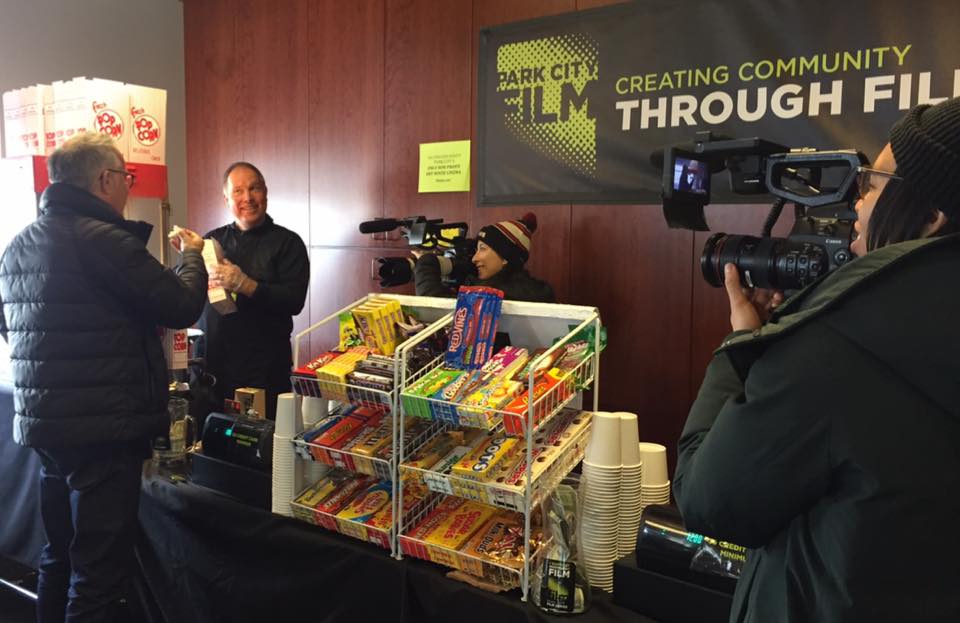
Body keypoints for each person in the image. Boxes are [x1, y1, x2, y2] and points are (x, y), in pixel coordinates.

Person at [673, 96, 960, 622]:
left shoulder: (838, 347)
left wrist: (741, 345)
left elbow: (711, 498)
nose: (858, 205)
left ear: (932, 213)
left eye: (873, 185)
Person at [0, 133, 208, 622]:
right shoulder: (105, 240)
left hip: (45, 427)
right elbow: (180, 304)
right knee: (98, 575)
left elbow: (11, 327)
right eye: (126, 178)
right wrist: (192, 257)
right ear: (104, 179)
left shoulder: (18, 245)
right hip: (104, 430)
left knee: (59, 555)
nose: (129, 188)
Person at [196, 162, 309, 420]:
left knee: (259, 449)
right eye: (238, 191)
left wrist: (245, 284)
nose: (247, 198)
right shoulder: (211, 240)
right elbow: (193, 294)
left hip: (264, 369)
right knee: (211, 447)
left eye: (254, 188)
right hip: (214, 366)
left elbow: (294, 301)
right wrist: (187, 259)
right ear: (226, 199)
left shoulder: (288, 243)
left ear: (266, 192)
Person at [413, 212, 555, 303]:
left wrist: (426, 263)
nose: (474, 258)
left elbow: (436, 304)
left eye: (482, 249)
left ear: (506, 257)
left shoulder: (502, 295)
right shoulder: (526, 289)